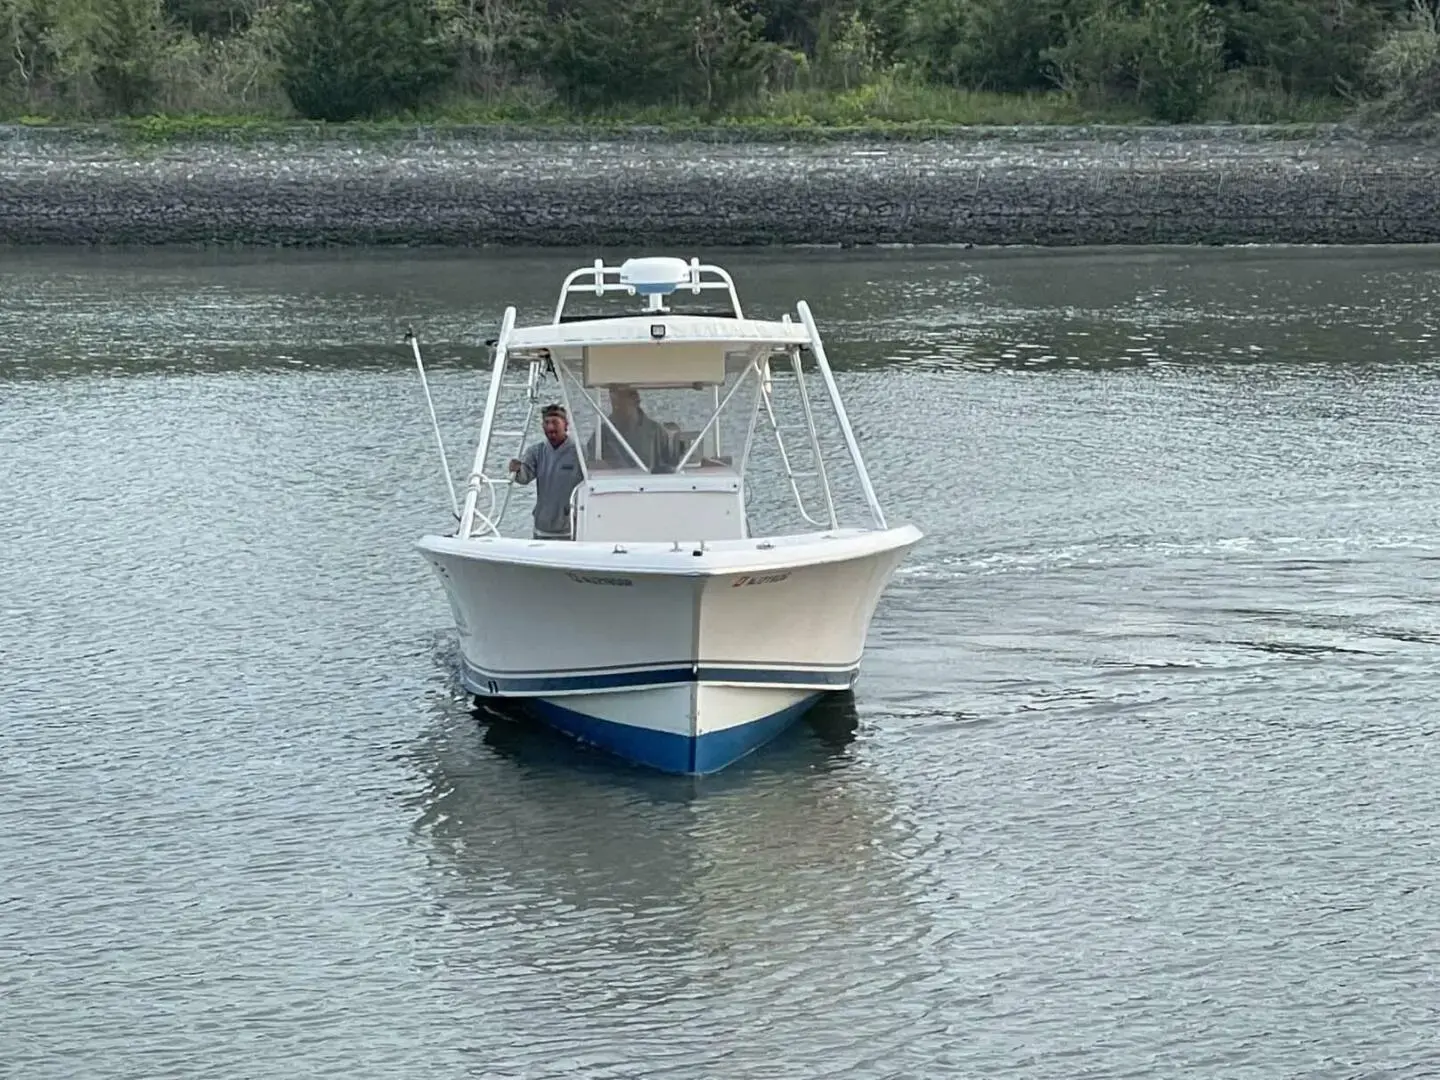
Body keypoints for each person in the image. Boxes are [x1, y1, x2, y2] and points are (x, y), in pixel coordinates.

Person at [508, 403, 582, 540]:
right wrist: (517, 469)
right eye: (546, 422)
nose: (550, 427)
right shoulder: (536, 451)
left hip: (570, 528)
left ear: (566, 425)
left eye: (555, 422)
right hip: (542, 528)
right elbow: (524, 478)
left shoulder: (580, 453)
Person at [593, 384, 676, 472]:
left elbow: (670, 466)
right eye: (613, 401)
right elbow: (591, 462)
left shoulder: (656, 431)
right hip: (615, 483)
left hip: (649, 482)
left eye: (620, 401)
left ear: (635, 401)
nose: (616, 406)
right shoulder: (602, 433)